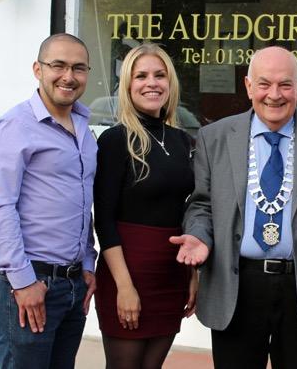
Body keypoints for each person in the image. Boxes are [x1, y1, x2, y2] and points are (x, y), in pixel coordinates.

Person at [170, 46, 297, 369]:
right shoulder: (214, 137)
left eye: (285, 85)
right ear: (248, 86)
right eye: (264, 84)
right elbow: (201, 205)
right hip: (236, 286)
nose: (274, 95)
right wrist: (199, 236)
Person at [0, 33, 97, 369]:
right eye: (58, 65)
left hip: (72, 286)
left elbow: (81, 201)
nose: (68, 76)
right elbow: (0, 207)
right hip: (30, 284)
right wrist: (23, 282)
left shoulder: (83, 128)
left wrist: (88, 263)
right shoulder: (15, 127)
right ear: (38, 69)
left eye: (78, 68)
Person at [93, 43, 197, 369]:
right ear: (127, 85)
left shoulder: (181, 140)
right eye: (141, 76)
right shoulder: (114, 140)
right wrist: (124, 287)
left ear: (170, 82)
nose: (151, 82)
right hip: (129, 272)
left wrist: (193, 274)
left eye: (159, 75)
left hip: (172, 274)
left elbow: (187, 210)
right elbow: (104, 220)